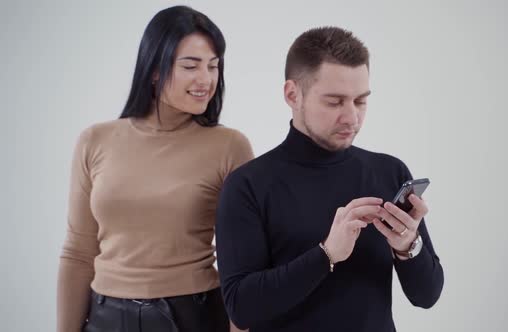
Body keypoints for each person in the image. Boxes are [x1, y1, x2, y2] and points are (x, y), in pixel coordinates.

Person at [215, 26, 444, 331]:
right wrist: (326, 255)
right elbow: (241, 308)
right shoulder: (248, 186)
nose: (351, 117)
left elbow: (427, 296)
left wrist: (407, 246)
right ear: (292, 94)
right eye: (335, 102)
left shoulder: (390, 171)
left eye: (360, 101)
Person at [57, 6, 252, 332]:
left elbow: (243, 261)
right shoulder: (95, 140)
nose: (206, 79)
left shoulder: (230, 147)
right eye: (191, 66)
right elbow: (78, 252)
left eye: (213, 66)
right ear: (154, 70)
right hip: (105, 316)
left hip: (193, 316)